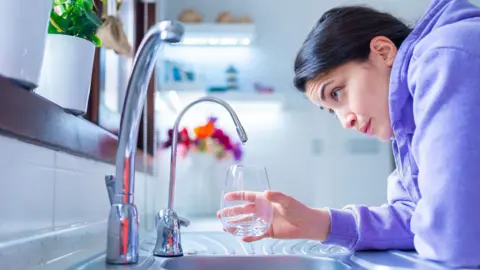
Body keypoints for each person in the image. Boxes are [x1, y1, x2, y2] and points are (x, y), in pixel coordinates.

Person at [217, 0, 480, 268]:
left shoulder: (447, 57)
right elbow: (413, 216)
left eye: (337, 93)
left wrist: (431, 227)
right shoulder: (407, 119)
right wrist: (316, 223)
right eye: (332, 111)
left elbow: (454, 239)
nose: (346, 121)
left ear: (383, 51)